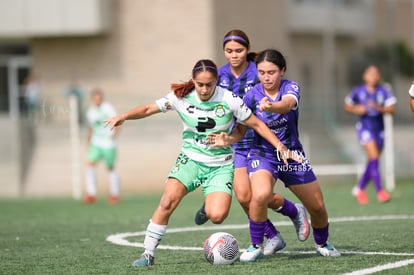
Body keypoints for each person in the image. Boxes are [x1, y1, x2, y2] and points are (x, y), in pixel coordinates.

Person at [103, 59, 300, 267]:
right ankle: (148, 254)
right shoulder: (181, 97)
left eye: (209, 84)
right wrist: (124, 116)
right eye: (200, 84)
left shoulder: (230, 99)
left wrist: (279, 146)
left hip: (220, 165)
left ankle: (208, 207)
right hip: (190, 160)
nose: (204, 89)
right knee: (167, 201)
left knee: (217, 216)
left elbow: (255, 125)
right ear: (194, 81)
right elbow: (148, 109)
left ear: (216, 81)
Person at [212, 49, 341, 261]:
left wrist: (272, 106)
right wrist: (227, 139)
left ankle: (322, 242)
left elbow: (287, 105)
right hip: (262, 154)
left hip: (291, 155)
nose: (266, 77)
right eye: (262, 72)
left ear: (282, 70)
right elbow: (242, 130)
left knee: (317, 207)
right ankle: (256, 245)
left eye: (271, 72)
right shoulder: (251, 96)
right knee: (260, 195)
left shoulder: (290, 87)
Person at [194, 30, 310, 256]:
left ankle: (293, 213)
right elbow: (208, 98)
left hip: (260, 141)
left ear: (247, 50)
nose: (234, 55)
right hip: (236, 141)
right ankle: (275, 234)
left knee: (259, 195)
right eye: (229, 51)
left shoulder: (259, 72)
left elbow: (278, 95)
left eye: (239, 50)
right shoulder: (220, 75)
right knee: (245, 197)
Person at [344, 65, 396, 204]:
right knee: (374, 157)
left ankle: (360, 188)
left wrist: (378, 107)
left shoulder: (384, 91)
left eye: (376, 74)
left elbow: (391, 110)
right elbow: (347, 106)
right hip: (364, 128)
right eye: (371, 74)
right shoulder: (358, 91)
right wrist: (356, 109)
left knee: (373, 161)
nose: (374, 76)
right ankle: (380, 191)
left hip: (379, 130)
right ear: (365, 76)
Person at [83, 88, 121, 204]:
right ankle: (91, 194)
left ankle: (115, 194)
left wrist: (114, 135)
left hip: (108, 143)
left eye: (99, 97)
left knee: (110, 167)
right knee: (90, 164)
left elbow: (118, 122)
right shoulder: (90, 111)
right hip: (96, 142)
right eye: (95, 98)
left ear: (102, 98)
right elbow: (90, 128)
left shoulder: (108, 108)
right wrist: (88, 142)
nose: (97, 100)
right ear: (92, 99)